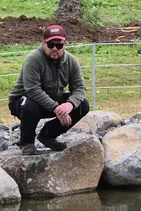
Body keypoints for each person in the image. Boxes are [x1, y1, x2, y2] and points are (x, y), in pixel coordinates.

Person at [8, 25, 90, 155]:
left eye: (59, 45)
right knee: (31, 105)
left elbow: (79, 87)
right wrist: (57, 109)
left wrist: (70, 104)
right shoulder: (33, 59)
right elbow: (32, 90)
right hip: (23, 101)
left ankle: (47, 135)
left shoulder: (71, 61)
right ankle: (27, 142)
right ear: (44, 43)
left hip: (52, 100)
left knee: (83, 105)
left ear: (65, 44)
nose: (55, 49)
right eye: (51, 45)